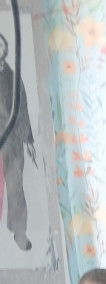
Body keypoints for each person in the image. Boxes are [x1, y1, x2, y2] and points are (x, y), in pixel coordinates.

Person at [0, 32, 37, 251]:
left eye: (0, 45)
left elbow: (22, 111)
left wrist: (28, 140)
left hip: (12, 141)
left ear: (5, 50)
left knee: (15, 187)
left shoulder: (13, 78)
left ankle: (19, 231)